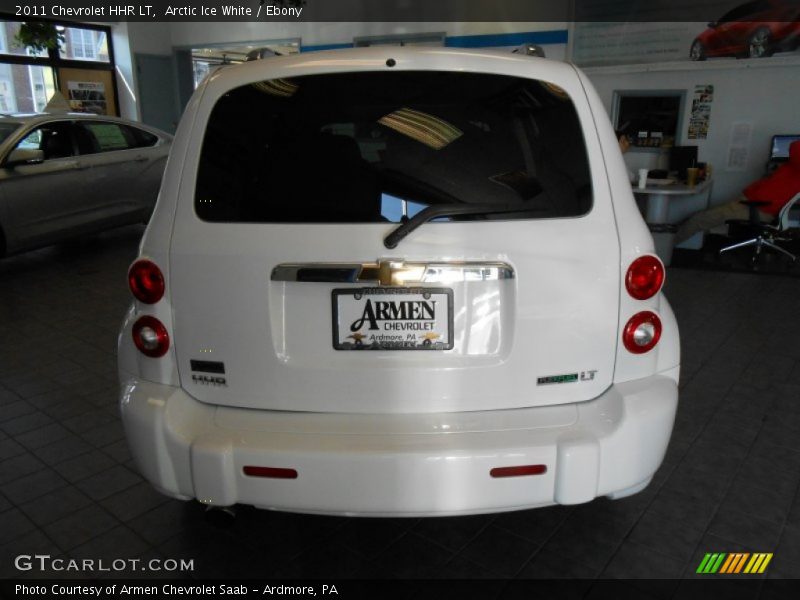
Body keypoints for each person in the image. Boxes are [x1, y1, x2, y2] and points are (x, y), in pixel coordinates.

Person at [675, 140, 800, 243]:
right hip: (751, 203)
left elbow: (795, 146)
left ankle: (662, 250)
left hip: (755, 208)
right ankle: (668, 240)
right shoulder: (794, 166)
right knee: (697, 214)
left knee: (698, 219)